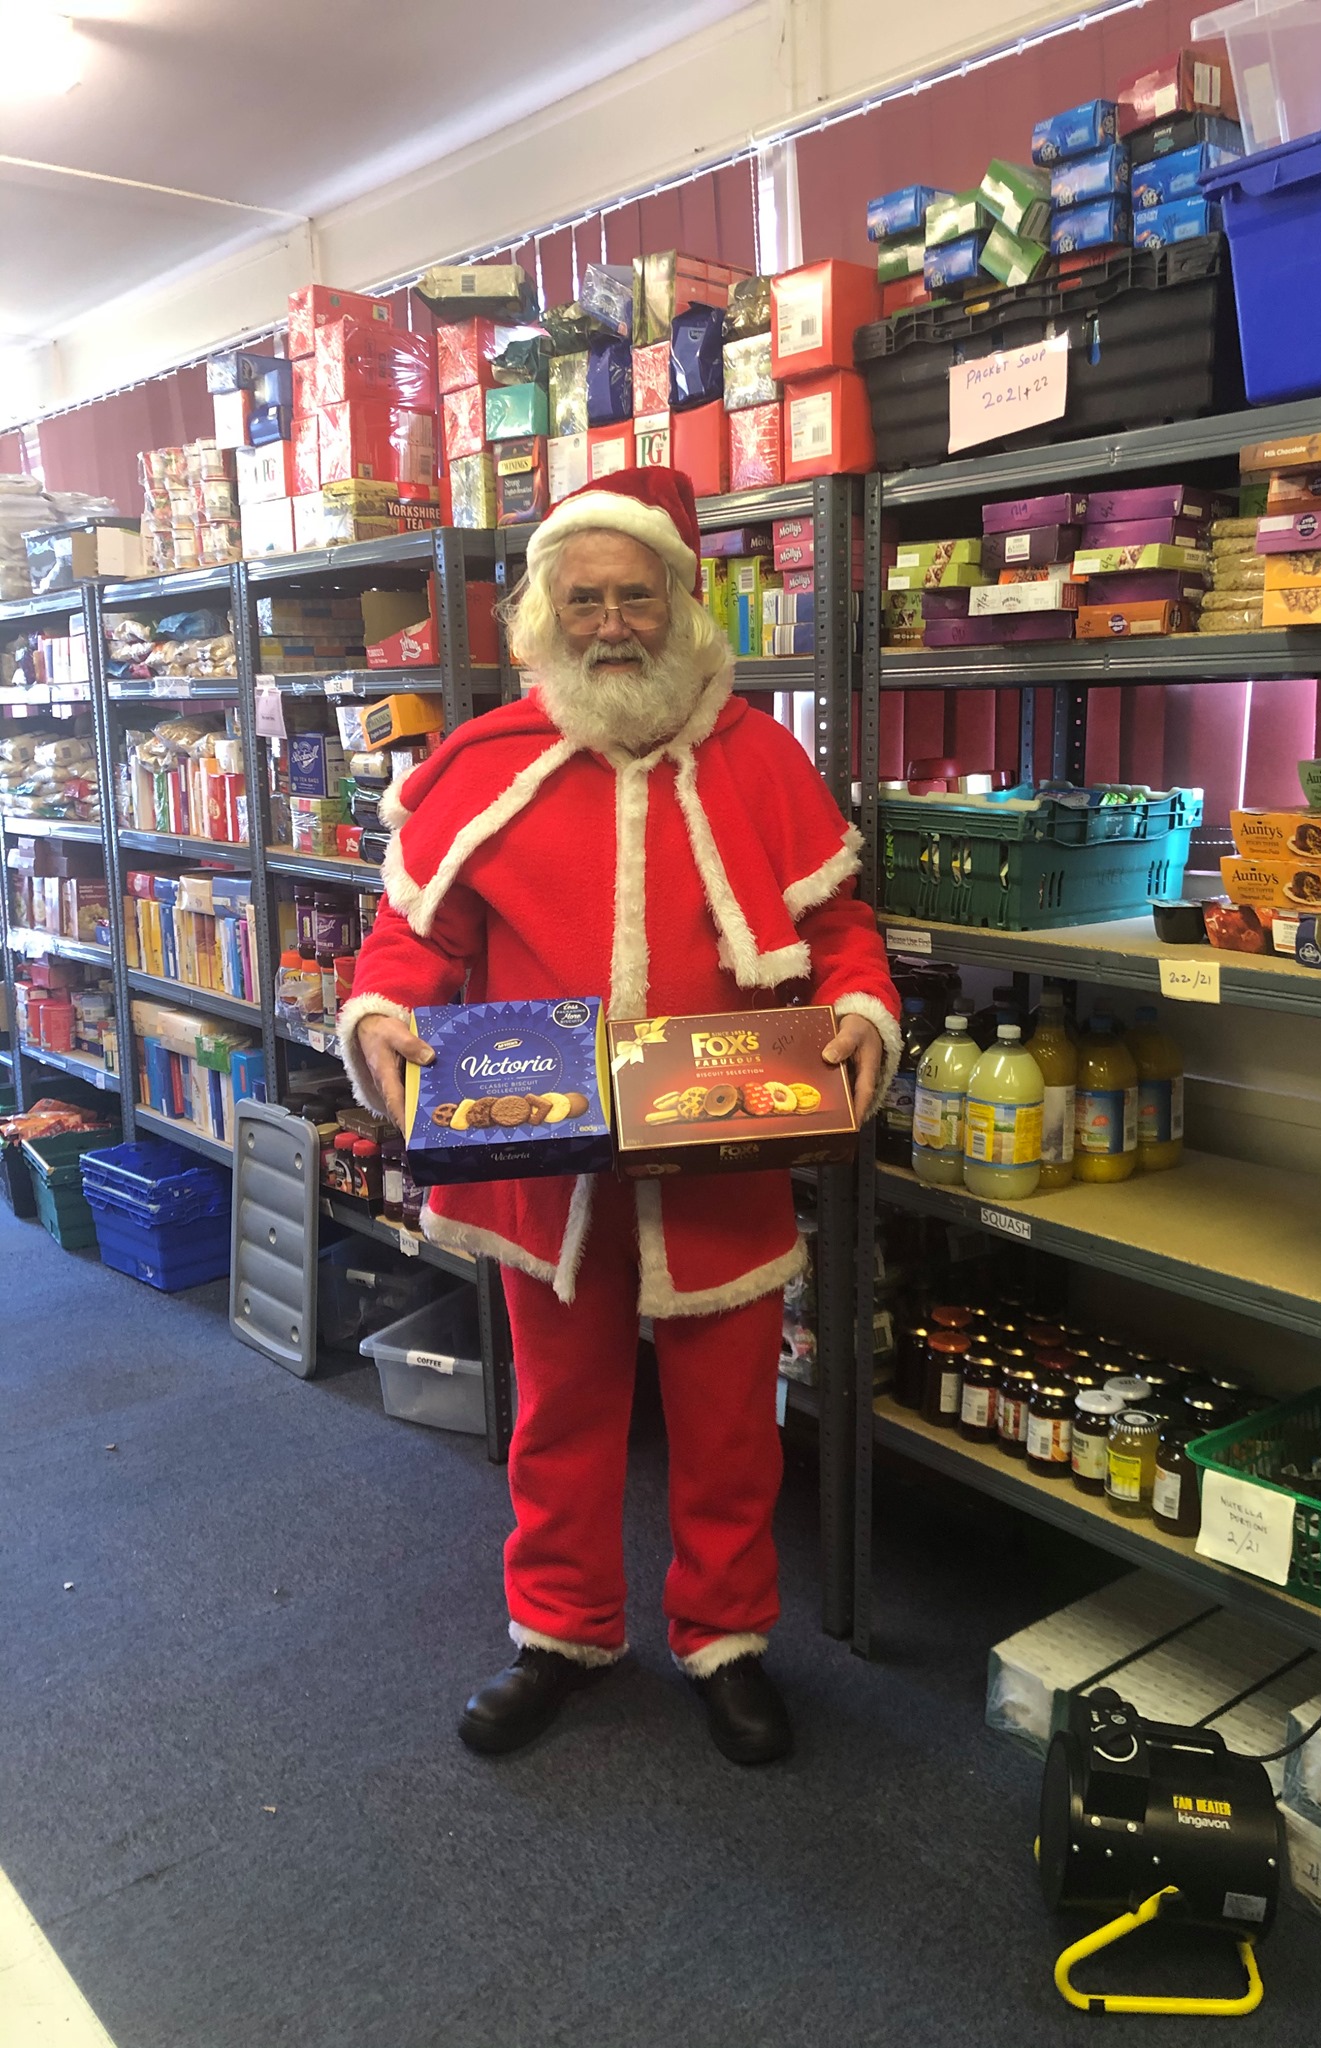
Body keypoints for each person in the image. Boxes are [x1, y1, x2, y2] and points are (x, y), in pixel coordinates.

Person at [340, 467, 899, 1767]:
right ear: (541, 611)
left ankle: (727, 1637)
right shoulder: (483, 767)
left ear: (684, 603)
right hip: (547, 1163)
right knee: (561, 1412)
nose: (607, 624)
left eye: (632, 597)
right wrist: (380, 1021)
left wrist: (863, 1014)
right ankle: (561, 1631)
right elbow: (408, 942)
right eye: (579, 598)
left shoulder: (765, 762)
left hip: (725, 1156)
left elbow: (838, 931)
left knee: (728, 1425)